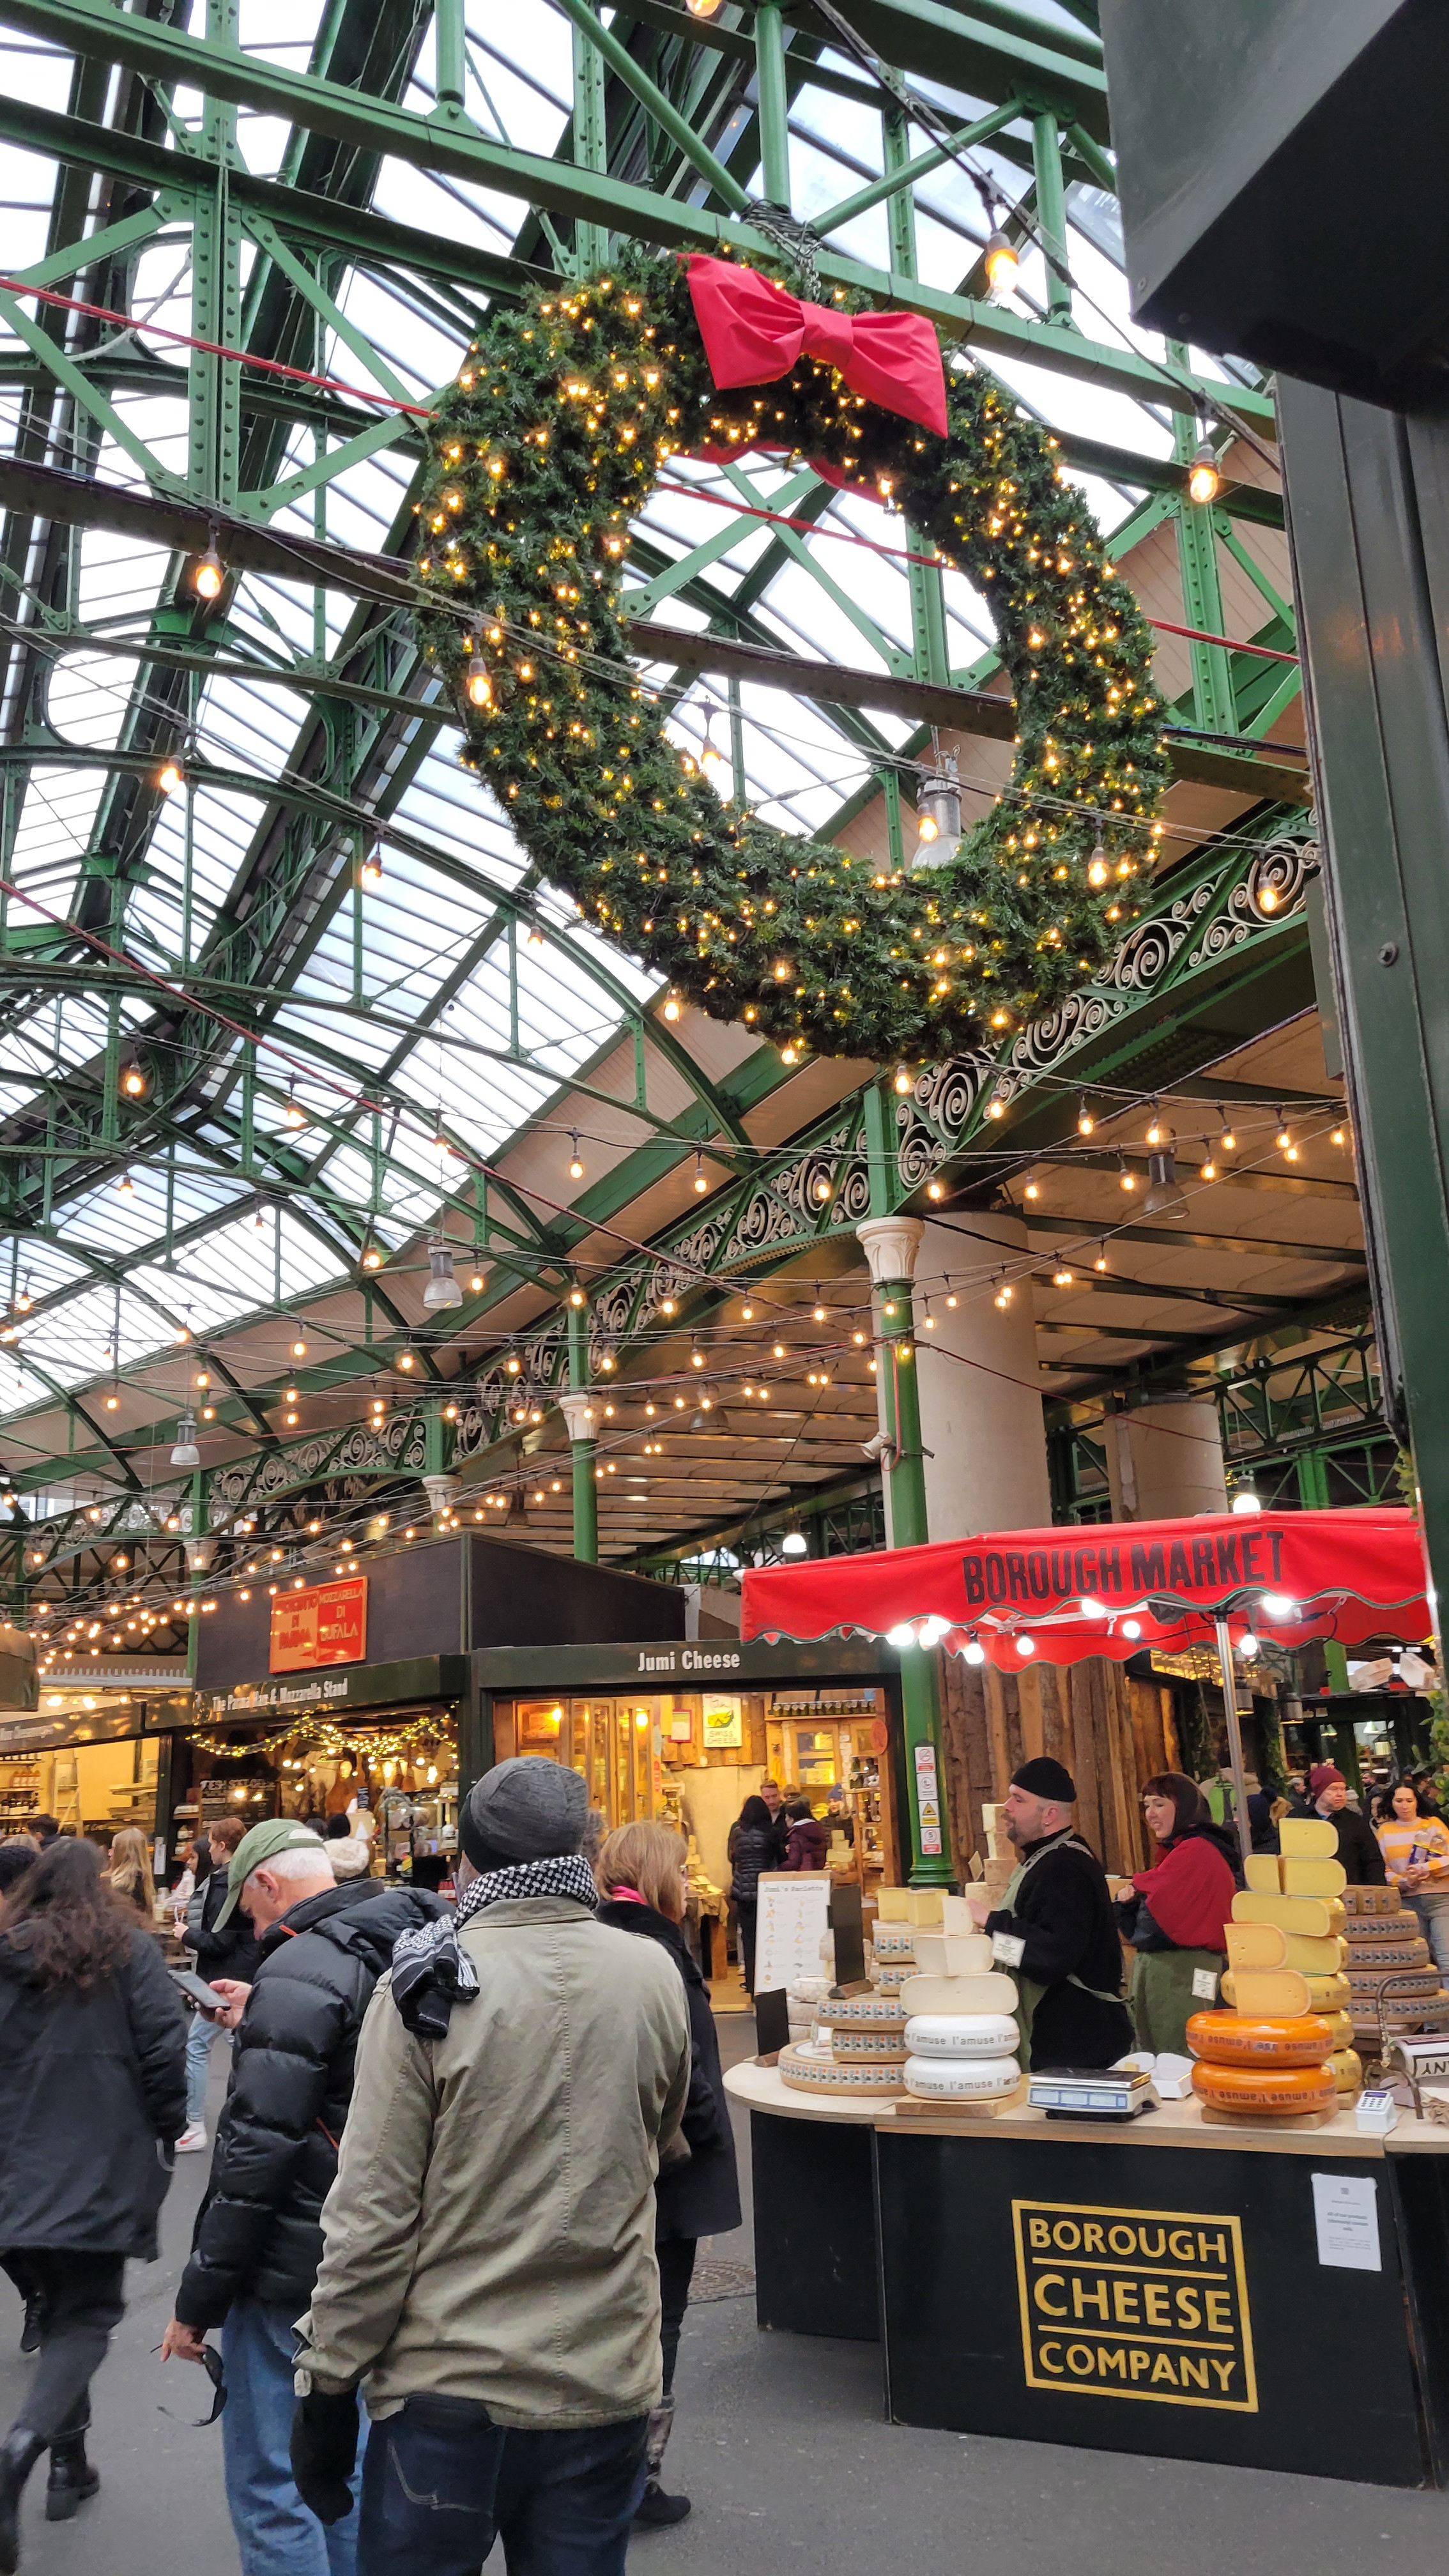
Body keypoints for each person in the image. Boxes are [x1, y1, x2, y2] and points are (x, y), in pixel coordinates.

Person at [287, 1755, 691, 2576]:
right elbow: (663, 2136)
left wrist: (326, 2385)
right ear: (582, 1849)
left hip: (451, 2384)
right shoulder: (654, 1972)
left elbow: (370, 2215)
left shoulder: (424, 1984)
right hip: (602, 2374)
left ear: (469, 1856)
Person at [160, 1819, 446, 2576]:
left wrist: (199, 2301)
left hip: (300, 2260)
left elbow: (255, 2156)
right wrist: (265, 2014)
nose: (253, 1931)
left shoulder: (301, 1968)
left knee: (277, 2482)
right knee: (345, 2472)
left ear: (266, 1884)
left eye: (250, 1914)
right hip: (400, 2246)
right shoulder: (406, 1938)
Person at [0, 1837, 185, 2568]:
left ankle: (68, 2466)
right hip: (97, 2162)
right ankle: (23, 2449)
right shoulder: (130, 1954)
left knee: (54, 2310)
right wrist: (167, 2125)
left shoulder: (8, 1952)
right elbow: (164, 2050)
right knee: (85, 2318)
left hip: (14, 2166)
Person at [595, 1820, 741, 2528]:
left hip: (614, 2169)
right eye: (680, 1871)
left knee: (618, 2318)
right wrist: (707, 2140)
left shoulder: (601, 1938)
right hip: (669, 2170)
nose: (687, 1882)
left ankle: (607, 2475)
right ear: (657, 1876)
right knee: (662, 2324)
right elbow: (688, 2079)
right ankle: (636, 2481)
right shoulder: (662, 1950)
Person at [967, 1757, 1133, 2071]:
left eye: (1018, 1799)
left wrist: (991, 1923)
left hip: (1075, 2048)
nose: (1006, 1807)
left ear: (1050, 1815)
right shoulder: (1042, 1860)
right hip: (1059, 2043)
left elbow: (1050, 1958)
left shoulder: (1064, 1867)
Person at [1116, 1774, 1238, 2057]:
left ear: (1183, 1808)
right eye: (1147, 1806)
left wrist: (1135, 1889)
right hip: (1179, 1973)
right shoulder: (1190, 1849)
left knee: (1178, 2056)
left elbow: (1154, 1912)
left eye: (1159, 1804)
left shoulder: (1196, 1850)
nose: (1150, 1814)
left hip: (1180, 1976)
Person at [176, 1815, 259, 2154]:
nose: (208, 1847)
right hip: (245, 1971)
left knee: (195, 2045)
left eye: (211, 1841)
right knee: (242, 2046)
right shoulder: (244, 1878)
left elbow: (220, 1941)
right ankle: (241, 2118)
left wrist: (187, 1934)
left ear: (223, 1845)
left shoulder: (224, 1883)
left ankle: (195, 2124)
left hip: (224, 1977)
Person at [1376, 1779, 1449, 1979]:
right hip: (1408, 1901)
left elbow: (1447, 1857)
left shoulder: (1433, 1824)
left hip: (1441, 1899)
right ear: (1391, 1803)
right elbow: (1384, 1869)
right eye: (1399, 1801)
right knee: (1419, 1961)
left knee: (1446, 1957)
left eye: (1409, 1800)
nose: (1405, 1805)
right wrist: (1403, 1880)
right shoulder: (1385, 1831)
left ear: (1417, 1801)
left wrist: (1424, 1869)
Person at [727, 1794, 778, 1993]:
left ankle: (751, 1981)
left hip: (743, 1892)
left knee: (748, 1938)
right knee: (768, 1936)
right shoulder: (771, 1833)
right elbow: (778, 1858)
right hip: (766, 1891)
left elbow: (732, 1857)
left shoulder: (737, 1833)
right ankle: (767, 1980)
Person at [1310, 1762, 1387, 1884]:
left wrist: (1376, 1890)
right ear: (1319, 1792)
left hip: (1349, 1891)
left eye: (1343, 1789)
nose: (1340, 1794)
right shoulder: (1298, 1819)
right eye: (1333, 1789)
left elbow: (1373, 1861)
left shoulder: (1355, 1821)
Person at [106, 1825, 155, 1920]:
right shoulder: (143, 1879)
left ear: (123, 1851)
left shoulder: (126, 1885)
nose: (110, 1853)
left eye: (113, 1848)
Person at [782, 1798, 827, 1872]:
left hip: (803, 1876)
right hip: (818, 1873)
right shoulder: (818, 1829)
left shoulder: (797, 1834)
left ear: (792, 1818)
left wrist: (779, 1867)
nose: (786, 1819)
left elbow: (794, 1863)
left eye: (786, 1816)